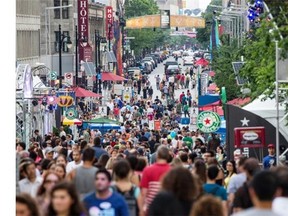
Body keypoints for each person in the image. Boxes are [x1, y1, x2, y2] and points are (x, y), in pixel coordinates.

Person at [140, 145, 171, 214]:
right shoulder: (172, 171)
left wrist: (142, 210)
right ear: (168, 156)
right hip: (167, 208)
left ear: (157, 155)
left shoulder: (148, 170)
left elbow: (144, 193)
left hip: (150, 208)